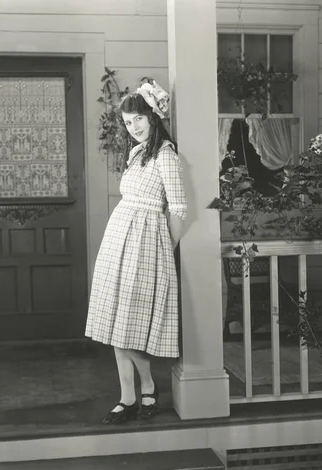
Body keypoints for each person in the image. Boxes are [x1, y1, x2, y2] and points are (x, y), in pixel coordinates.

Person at [85, 80, 187, 424]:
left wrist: (164, 249)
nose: (134, 128)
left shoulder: (166, 155)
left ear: (153, 115)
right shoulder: (135, 153)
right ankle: (130, 394)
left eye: (138, 119)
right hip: (119, 238)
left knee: (127, 322)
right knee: (114, 317)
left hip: (147, 243)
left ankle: (145, 386)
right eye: (128, 123)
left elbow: (179, 209)